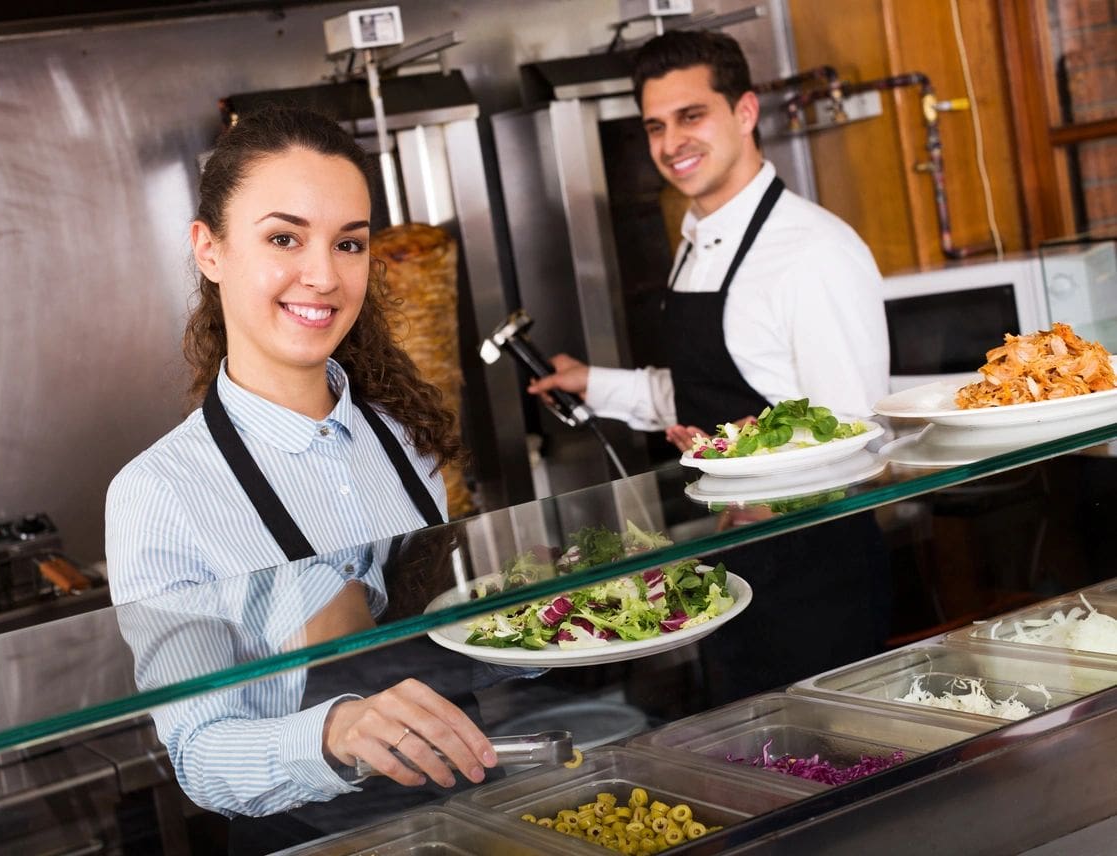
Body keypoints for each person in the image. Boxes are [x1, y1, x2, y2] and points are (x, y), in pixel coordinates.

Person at [104, 106, 499, 852]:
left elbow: (448, 632)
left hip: (469, 813)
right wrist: (335, 731)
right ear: (209, 249)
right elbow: (197, 753)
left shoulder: (403, 437)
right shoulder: (158, 493)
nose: (323, 275)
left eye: (348, 243)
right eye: (284, 238)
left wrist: (554, 628)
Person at [528, 29, 890, 449]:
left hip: (819, 515)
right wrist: (592, 382)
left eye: (691, 116)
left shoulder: (815, 252)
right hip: (735, 511)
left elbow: (858, 430)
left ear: (745, 113)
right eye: (655, 126)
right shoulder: (695, 244)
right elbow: (698, 394)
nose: (670, 144)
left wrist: (742, 453)